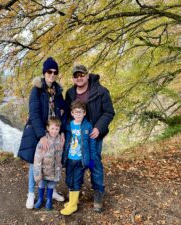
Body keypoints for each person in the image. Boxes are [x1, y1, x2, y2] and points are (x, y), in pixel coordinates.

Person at [17, 57, 66, 209]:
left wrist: (62, 131)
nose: (52, 74)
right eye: (49, 71)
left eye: (54, 72)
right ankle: (31, 193)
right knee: (35, 161)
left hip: (53, 131)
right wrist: (41, 135)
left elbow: (62, 112)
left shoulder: (57, 91)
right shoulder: (37, 90)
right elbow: (34, 113)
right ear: (44, 73)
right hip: (37, 130)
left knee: (53, 160)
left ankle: (52, 190)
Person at [65, 65, 115, 213]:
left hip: (93, 136)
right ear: (73, 78)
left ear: (87, 76)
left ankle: (98, 194)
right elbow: (68, 114)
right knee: (76, 164)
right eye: (76, 76)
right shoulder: (70, 93)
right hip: (77, 138)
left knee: (94, 163)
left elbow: (109, 112)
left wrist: (98, 128)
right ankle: (75, 191)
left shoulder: (101, 92)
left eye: (82, 75)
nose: (79, 78)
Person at [60, 100, 96, 216]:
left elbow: (92, 145)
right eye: (76, 112)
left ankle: (73, 205)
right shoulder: (68, 125)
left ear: (84, 113)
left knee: (77, 181)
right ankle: (72, 201)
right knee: (69, 180)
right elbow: (64, 140)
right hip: (70, 158)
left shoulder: (88, 126)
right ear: (72, 113)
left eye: (80, 112)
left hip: (81, 160)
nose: (78, 114)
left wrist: (91, 161)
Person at [33, 117, 63, 210]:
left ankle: (49, 200)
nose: (54, 131)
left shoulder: (60, 140)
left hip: (55, 170)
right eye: (52, 128)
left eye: (57, 129)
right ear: (47, 128)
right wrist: (37, 173)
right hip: (44, 170)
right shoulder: (43, 140)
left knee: (51, 185)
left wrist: (59, 169)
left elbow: (60, 155)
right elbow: (37, 157)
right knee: (41, 185)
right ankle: (40, 199)